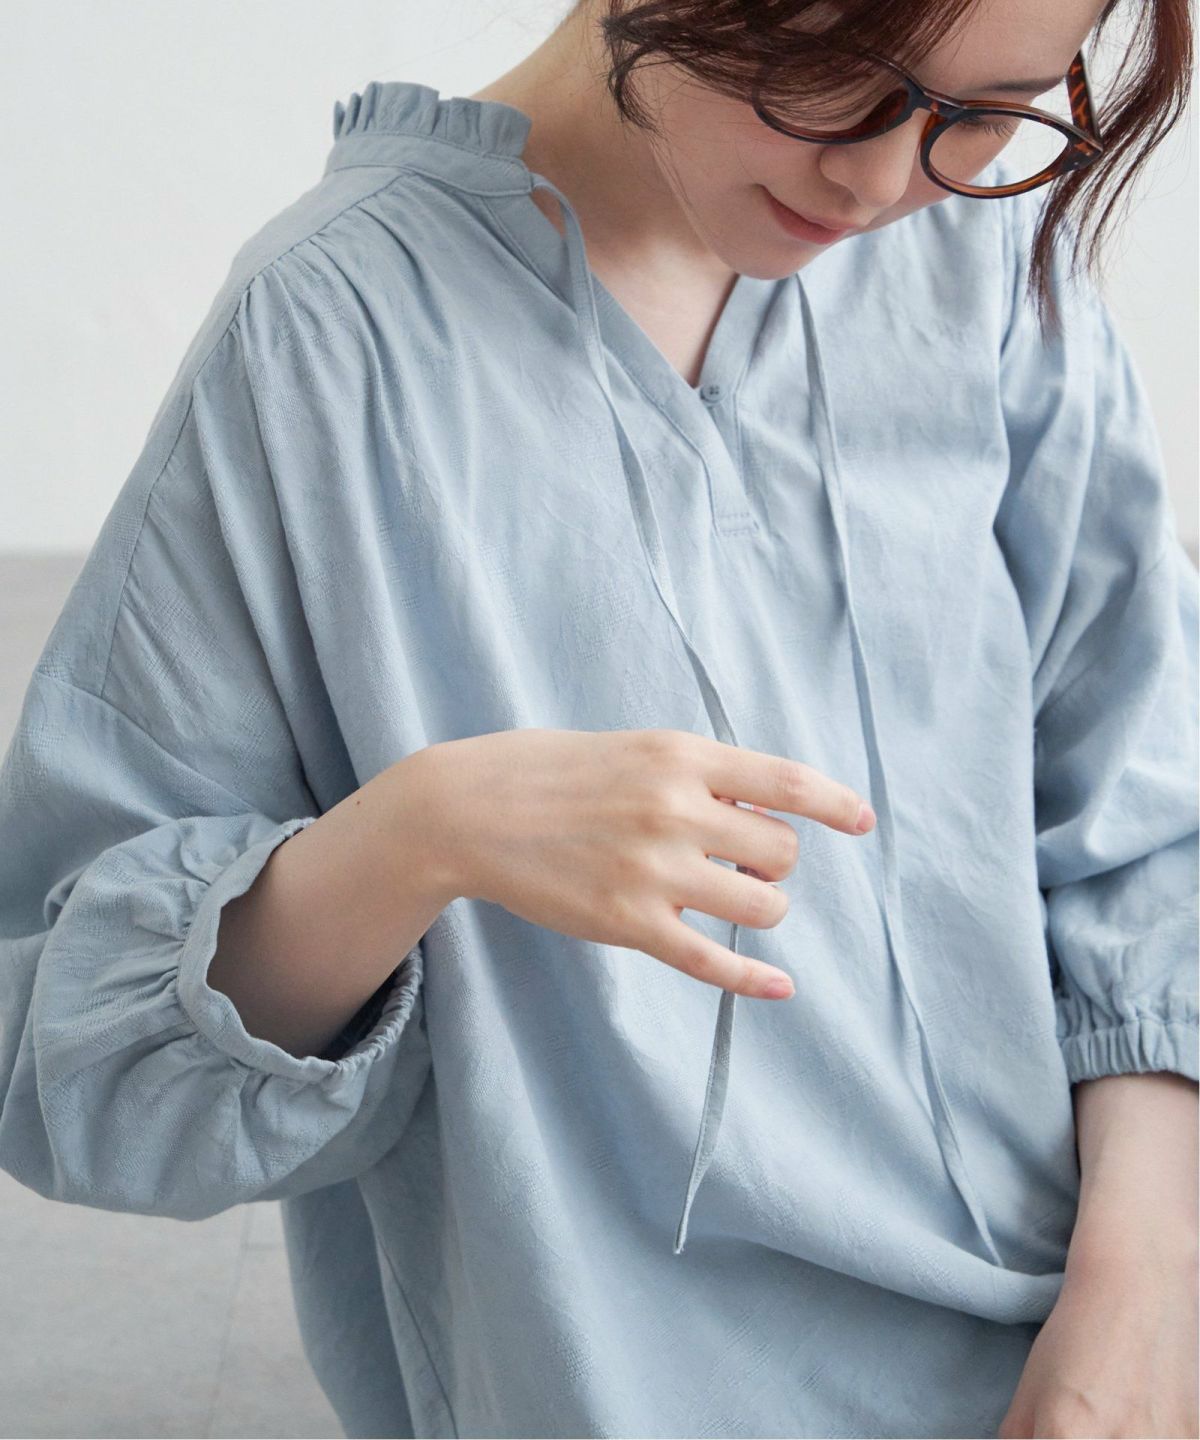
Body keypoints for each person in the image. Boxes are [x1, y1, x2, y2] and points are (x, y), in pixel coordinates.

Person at [0, 0, 1196, 1434]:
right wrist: (420, 833)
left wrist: (1142, 1290)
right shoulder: (325, 335)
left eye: (989, 113)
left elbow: (1147, 829)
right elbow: (78, 1073)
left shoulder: (983, 265)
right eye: (834, 73)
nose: (883, 181)